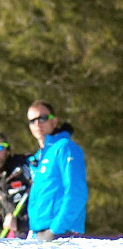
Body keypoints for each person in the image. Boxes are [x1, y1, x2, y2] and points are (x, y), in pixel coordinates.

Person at [26, 100, 88, 241]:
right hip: (39, 233)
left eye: (43, 118)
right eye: (32, 121)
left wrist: (56, 229)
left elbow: (76, 192)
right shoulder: (39, 157)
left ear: (54, 121)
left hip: (61, 233)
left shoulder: (65, 147)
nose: (37, 124)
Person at [0, 130, 32, 238]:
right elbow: (9, 208)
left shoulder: (23, 167)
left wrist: (22, 224)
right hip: (18, 234)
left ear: (7, 150)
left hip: (36, 232)